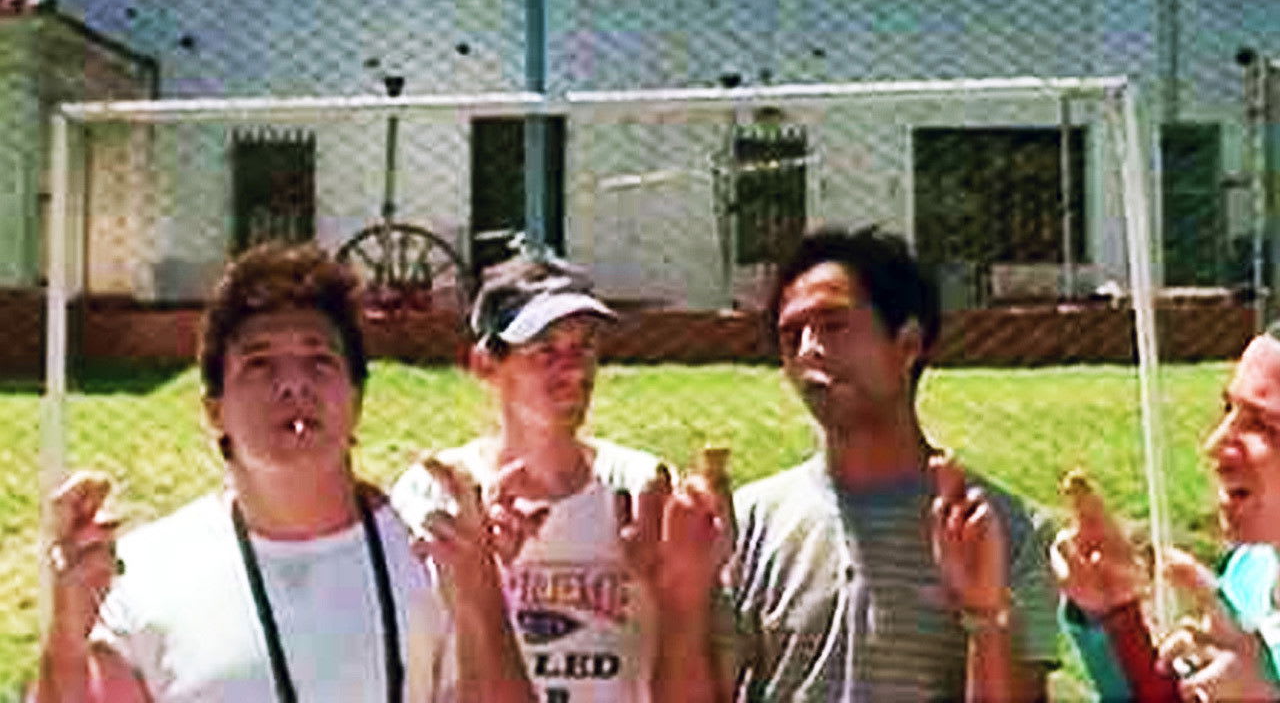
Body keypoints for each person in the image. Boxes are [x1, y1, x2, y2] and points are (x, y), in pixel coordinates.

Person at [34, 243, 533, 703]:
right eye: (260, 364)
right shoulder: (145, 576)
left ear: (357, 398)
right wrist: (66, 640)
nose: (293, 384)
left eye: (319, 361)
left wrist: (481, 598)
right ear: (214, 410)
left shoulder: (434, 561)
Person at [727, 227, 1060, 702]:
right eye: (790, 335)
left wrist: (985, 617)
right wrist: (682, 593)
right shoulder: (748, 525)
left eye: (833, 326)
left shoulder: (1004, 531)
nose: (807, 350)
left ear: (907, 344)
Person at [390, 251, 725, 703]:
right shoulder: (437, 496)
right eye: (545, 350)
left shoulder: (639, 490)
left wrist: (677, 583)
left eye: (584, 347)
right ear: (485, 364)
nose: (574, 370)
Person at [1055, 326, 1280, 702]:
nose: (1214, 446)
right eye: (1228, 409)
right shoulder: (1247, 576)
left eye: (1263, 425)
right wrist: (1117, 621)